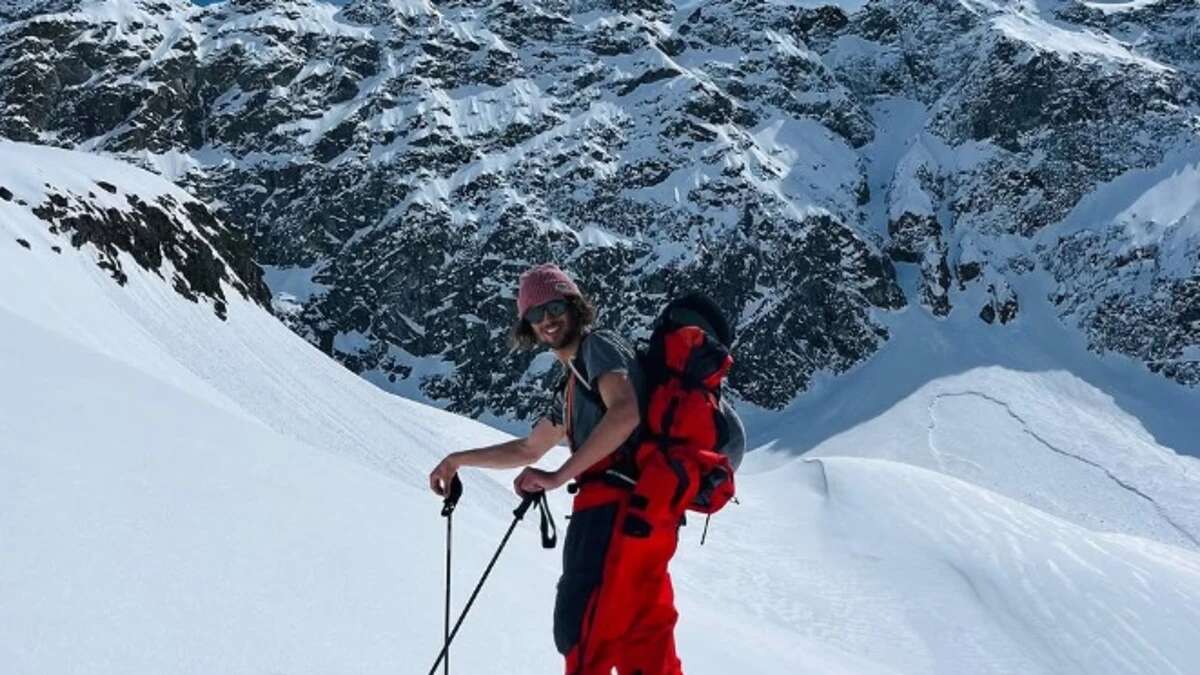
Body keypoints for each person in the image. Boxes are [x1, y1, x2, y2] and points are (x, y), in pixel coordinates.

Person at [429, 263, 743, 675]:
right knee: (644, 641)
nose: (547, 320)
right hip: (650, 510)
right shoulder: (574, 382)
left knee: (582, 630)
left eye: (555, 306)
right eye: (535, 315)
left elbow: (625, 413)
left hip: (612, 508)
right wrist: (458, 461)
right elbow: (529, 447)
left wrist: (559, 477)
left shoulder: (599, 346)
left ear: (574, 305)